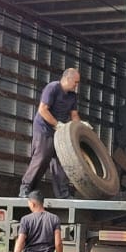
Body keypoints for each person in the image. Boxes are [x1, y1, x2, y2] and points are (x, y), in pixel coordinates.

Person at [19, 67, 81, 199]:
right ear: (67, 78)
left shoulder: (72, 96)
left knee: (61, 161)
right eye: (75, 82)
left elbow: (74, 115)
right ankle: (26, 189)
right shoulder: (52, 88)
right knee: (42, 158)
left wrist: (80, 127)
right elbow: (42, 110)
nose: (76, 85)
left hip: (59, 132)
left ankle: (63, 194)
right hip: (44, 129)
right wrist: (56, 124)